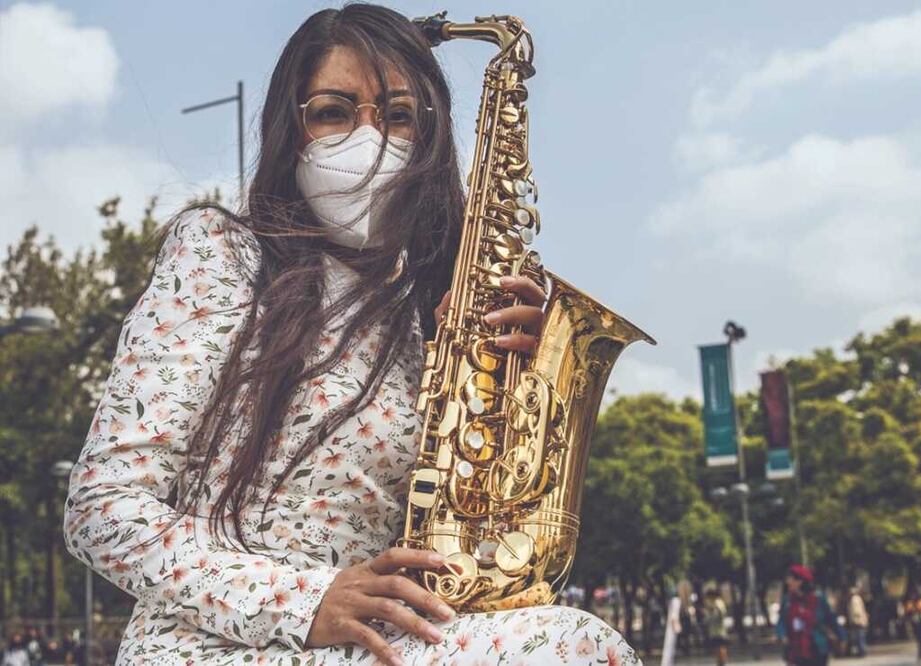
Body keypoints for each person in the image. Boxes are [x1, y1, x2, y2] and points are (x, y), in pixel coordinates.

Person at [61, 5, 641, 665]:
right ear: (292, 129)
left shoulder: (426, 314)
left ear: (431, 139)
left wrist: (521, 388)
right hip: (211, 647)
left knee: (577, 643)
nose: (369, 140)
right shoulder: (221, 252)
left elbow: (464, 548)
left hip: (375, 645)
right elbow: (102, 508)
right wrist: (303, 601)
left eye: (398, 117)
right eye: (334, 112)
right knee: (574, 648)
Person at [776, 565, 844, 666]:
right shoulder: (787, 601)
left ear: (800, 581)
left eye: (790, 579)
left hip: (816, 647)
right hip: (795, 649)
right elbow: (782, 621)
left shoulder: (819, 599)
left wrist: (842, 637)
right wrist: (782, 635)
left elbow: (831, 619)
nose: (788, 582)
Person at [702, 588, 729, 666]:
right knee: (718, 649)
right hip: (714, 631)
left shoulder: (718, 603)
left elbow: (719, 615)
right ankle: (720, 663)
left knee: (721, 648)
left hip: (719, 630)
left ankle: (722, 663)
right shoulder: (712, 604)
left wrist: (710, 611)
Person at [846, 587, 869, 658]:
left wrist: (855, 620)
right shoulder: (857, 598)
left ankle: (862, 651)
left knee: (859, 636)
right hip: (859, 620)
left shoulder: (854, 599)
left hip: (857, 621)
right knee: (860, 636)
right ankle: (862, 650)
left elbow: (856, 611)